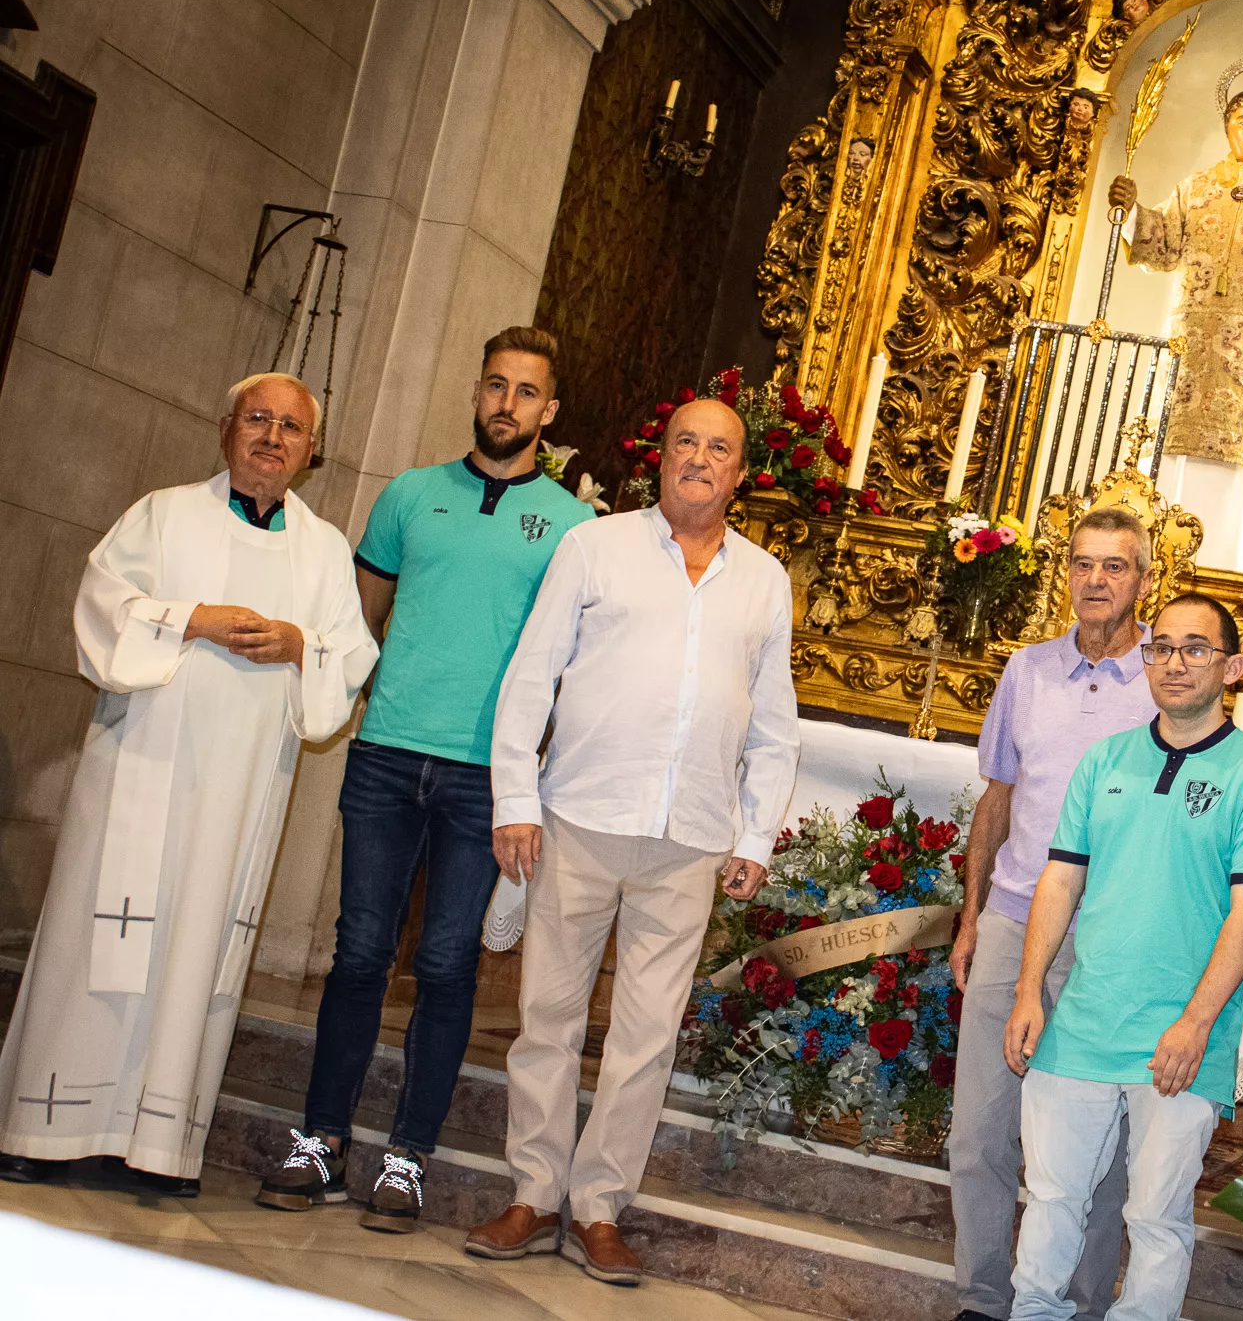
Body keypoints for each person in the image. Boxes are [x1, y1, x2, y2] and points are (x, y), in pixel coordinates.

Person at [0, 374, 377, 1194]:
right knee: (96, 936)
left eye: (291, 428)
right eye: (258, 420)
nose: (273, 437)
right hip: (142, 767)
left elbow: (350, 661)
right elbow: (100, 609)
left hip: (240, 790)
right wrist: (192, 618)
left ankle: (157, 1147)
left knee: (197, 950)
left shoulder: (320, 549)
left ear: (312, 453)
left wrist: (295, 641)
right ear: (224, 428)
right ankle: (45, 1125)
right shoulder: (161, 514)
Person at [255, 327, 594, 1229]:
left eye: (526, 391)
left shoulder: (573, 527)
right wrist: (353, 706)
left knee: (445, 965)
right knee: (358, 951)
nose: (507, 404)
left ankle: (408, 1156)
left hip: (486, 775)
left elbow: (569, 661)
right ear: (476, 392)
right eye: (495, 385)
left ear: (549, 411)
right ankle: (321, 1140)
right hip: (386, 756)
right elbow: (358, 625)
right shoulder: (409, 495)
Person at [464, 398, 799, 1285]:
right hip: (580, 814)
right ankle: (534, 1191)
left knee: (647, 1034)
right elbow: (531, 676)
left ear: (739, 471)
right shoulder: (594, 546)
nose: (698, 458)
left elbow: (774, 722)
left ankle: (599, 1204)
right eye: (685, 441)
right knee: (548, 1016)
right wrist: (514, 799)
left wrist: (756, 830)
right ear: (662, 459)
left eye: (717, 447)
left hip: (689, 835)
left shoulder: (765, 578)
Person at [1004, 593, 1243, 1321]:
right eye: (1160, 646)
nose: (1174, 662)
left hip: (1182, 1035)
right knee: (1049, 1200)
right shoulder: (1106, 758)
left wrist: (1197, 1023)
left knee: (1156, 1220)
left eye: (1196, 648)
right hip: (1085, 1022)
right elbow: (1061, 876)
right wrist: (1029, 990)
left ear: (1235, 665)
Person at [948, 507, 1158, 1321]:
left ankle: (1076, 1302)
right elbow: (996, 800)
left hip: (1112, 933)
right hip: (1011, 917)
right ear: (1064, 574)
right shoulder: (1027, 670)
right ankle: (983, 1296)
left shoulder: (1164, 678)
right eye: (1082, 564)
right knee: (982, 1129)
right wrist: (970, 918)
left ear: (1144, 579)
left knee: (1097, 1148)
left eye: (1115, 566)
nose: (1096, 580)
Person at [1109, 73, 1243, 574]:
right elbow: (1160, 245)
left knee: (1239, 454)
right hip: (1190, 335)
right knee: (1174, 446)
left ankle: (1234, 572)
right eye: (1241, 121)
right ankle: (1159, 563)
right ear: (1226, 126)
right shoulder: (1197, 187)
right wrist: (1130, 210)